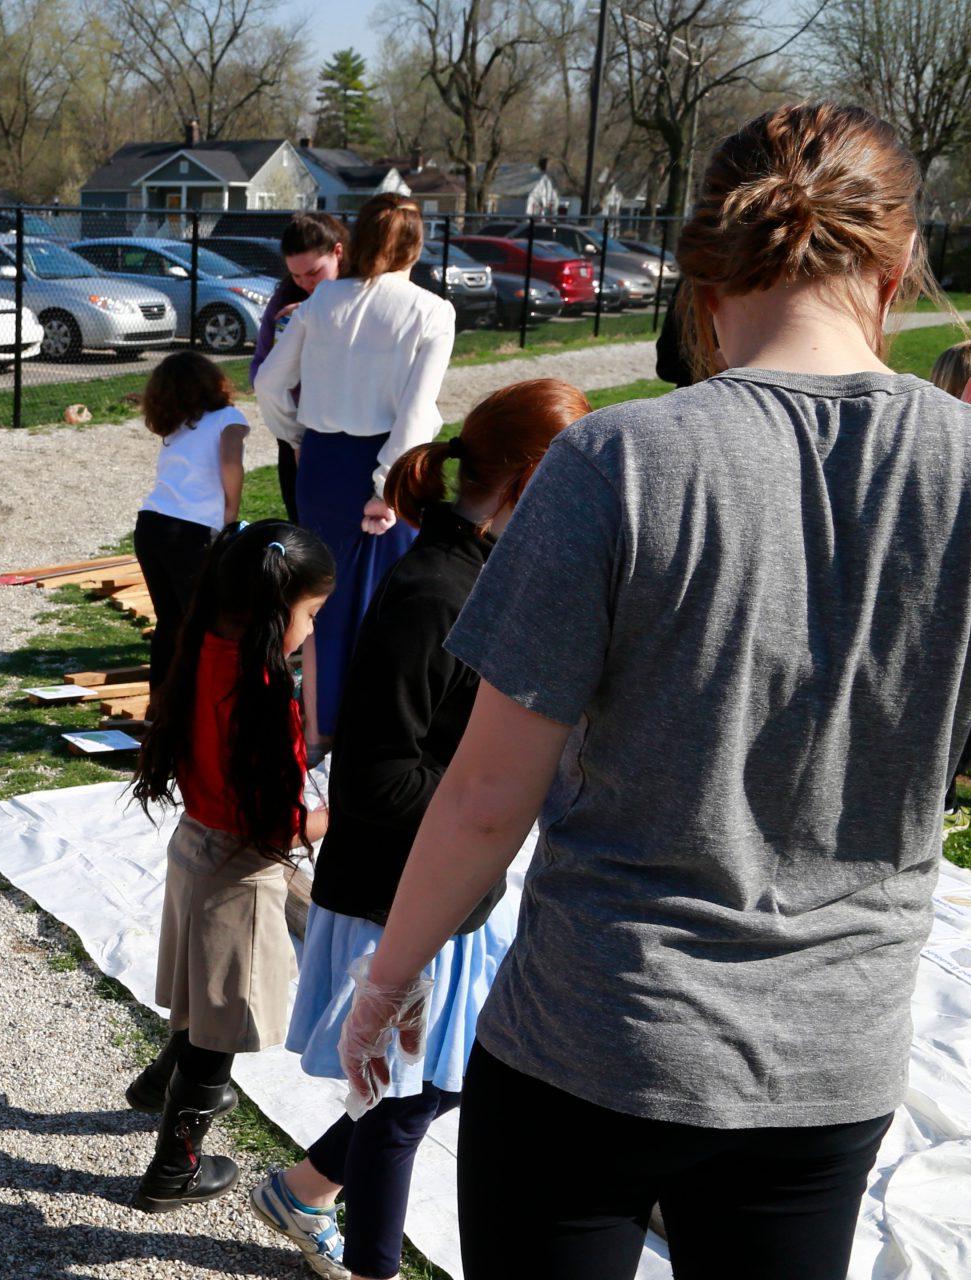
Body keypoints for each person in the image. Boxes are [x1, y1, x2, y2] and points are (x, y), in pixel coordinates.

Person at [339, 104, 971, 1278]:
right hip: (825, 1066)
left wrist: (386, 977)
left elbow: (487, 792)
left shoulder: (616, 460)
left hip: (592, 1038)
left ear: (701, 276)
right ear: (897, 270)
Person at [249, 379, 589, 1280]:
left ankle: (305, 1187)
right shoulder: (436, 592)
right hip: (404, 892)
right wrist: (500, 790)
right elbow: (372, 778)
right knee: (403, 1105)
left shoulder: (483, 574)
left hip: (450, 893)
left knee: (442, 1085)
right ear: (530, 481)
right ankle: (370, 1265)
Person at [121, 521, 335, 1214]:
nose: (310, 631)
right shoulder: (266, 690)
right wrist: (346, 815)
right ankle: (173, 1167)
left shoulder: (206, 642)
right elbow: (278, 825)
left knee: (201, 991)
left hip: (194, 845)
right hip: (240, 875)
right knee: (222, 1026)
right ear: (280, 609)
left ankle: (161, 1083)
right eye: (310, 616)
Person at [254, 193, 453, 743]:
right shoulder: (432, 309)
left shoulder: (321, 303)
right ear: (416, 245)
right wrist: (386, 488)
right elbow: (416, 409)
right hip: (387, 465)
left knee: (321, 603)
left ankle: (319, 731)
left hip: (322, 462)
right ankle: (376, 732)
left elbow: (268, 381)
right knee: (389, 604)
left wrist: (296, 435)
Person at [132, 351, 250, 688]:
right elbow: (231, 463)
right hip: (189, 529)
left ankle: (161, 706)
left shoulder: (179, 426)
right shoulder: (228, 417)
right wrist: (231, 512)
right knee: (204, 621)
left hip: (150, 524)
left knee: (170, 621)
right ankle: (201, 700)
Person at [251, 212, 345, 518]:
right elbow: (261, 369)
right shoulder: (285, 301)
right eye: (296, 275)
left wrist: (315, 308)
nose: (305, 283)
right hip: (295, 432)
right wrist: (293, 438)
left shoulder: (360, 294)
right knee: (302, 523)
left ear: (338, 252)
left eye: (314, 273)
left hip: (345, 432)